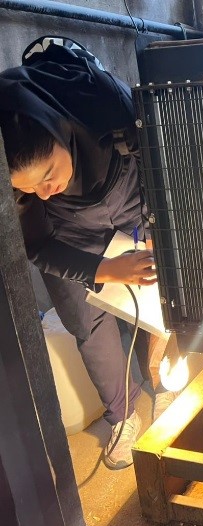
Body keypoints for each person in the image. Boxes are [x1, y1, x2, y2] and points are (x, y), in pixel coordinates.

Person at [0, 37, 156, 469]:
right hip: (68, 237)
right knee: (87, 322)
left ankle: (162, 377)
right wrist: (104, 269)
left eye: (49, 173)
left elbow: (159, 163)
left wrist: (158, 227)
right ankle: (122, 414)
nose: (44, 190)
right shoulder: (27, 186)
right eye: (28, 187)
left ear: (61, 128)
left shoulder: (105, 104)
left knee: (160, 289)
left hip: (131, 202)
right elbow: (38, 246)